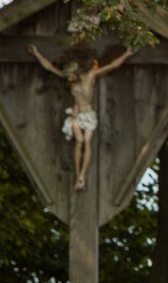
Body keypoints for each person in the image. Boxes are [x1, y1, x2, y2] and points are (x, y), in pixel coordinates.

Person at [27, 44, 134, 190]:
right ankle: (79, 176)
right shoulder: (70, 81)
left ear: (76, 72)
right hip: (76, 115)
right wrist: (37, 53)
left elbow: (112, 66)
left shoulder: (90, 77)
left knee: (87, 142)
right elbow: (50, 68)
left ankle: (82, 175)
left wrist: (127, 54)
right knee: (79, 141)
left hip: (88, 115)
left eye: (70, 76)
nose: (68, 79)